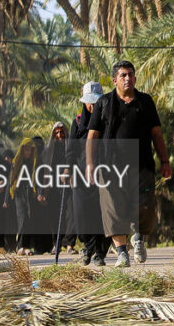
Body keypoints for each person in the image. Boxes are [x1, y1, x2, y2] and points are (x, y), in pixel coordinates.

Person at [86, 61, 172, 267]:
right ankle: (122, 253)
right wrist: (90, 164)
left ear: (135, 78)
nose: (128, 78)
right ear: (115, 80)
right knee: (113, 209)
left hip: (142, 166)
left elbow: (157, 134)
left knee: (146, 209)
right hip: (109, 167)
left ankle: (139, 237)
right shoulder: (104, 103)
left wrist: (165, 161)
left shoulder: (145, 102)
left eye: (131, 74)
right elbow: (92, 136)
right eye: (123, 75)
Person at [67, 82, 109, 266]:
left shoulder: (108, 120)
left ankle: (99, 252)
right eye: (89, 102)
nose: (92, 106)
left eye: (96, 102)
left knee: (103, 214)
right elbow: (71, 150)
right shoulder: (77, 122)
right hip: (81, 175)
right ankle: (88, 247)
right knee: (82, 214)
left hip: (105, 173)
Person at [44, 122, 76, 254]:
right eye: (56, 133)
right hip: (53, 186)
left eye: (61, 132)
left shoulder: (71, 148)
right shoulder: (48, 151)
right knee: (55, 216)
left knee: (71, 215)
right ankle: (56, 244)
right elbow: (44, 171)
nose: (59, 135)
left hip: (70, 185)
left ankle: (69, 244)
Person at [10, 138, 45, 255]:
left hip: (31, 194)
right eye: (26, 150)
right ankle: (21, 246)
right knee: (23, 218)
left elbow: (39, 180)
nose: (28, 152)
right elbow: (10, 180)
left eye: (30, 150)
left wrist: (40, 193)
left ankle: (27, 246)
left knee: (30, 219)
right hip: (19, 194)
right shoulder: (16, 163)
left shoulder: (35, 163)